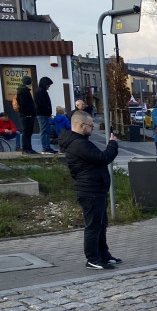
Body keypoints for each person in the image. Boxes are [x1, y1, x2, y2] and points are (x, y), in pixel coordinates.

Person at [58, 111, 121, 270]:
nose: (93, 128)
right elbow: (102, 158)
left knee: (101, 224)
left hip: (96, 188)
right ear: (81, 125)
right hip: (89, 190)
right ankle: (92, 259)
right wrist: (112, 144)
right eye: (91, 126)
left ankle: (103, 254)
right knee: (93, 226)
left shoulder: (81, 141)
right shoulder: (78, 144)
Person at [16, 76, 37, 154]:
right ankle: (26, 149)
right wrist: (30, 113)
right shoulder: (23, 91)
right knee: (27, 132)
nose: (31, 84)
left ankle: (28, 148)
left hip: (26, 115)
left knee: (28, 132)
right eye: (30, 82)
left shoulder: (22, 90)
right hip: (26, 115)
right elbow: (25, 104)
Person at [34, 77, 55, 153]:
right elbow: (42, 104)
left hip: (44, 113)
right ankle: (45, 147)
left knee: (47, 130)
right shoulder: (40, 91)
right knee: (44, 131)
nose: (49, 87)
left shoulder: (41, 91)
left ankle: (47, 147)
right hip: (42, 114)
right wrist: (48, 113)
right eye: (48, 85)